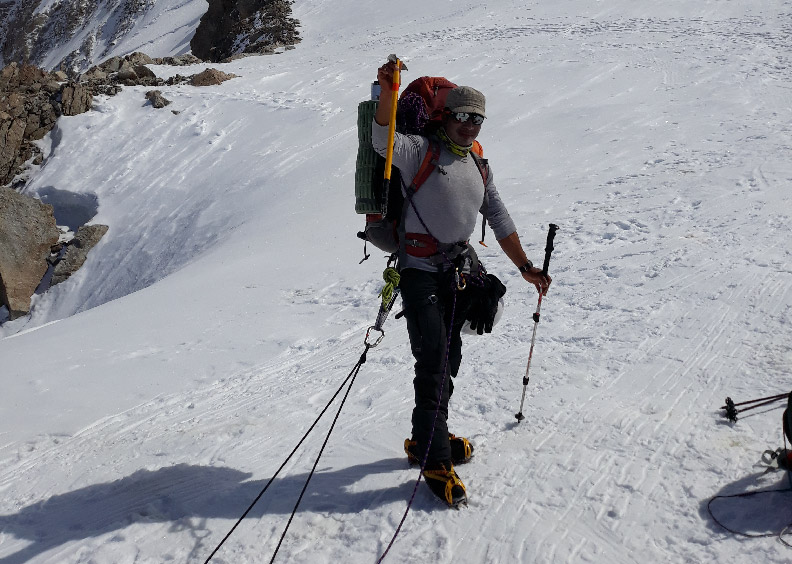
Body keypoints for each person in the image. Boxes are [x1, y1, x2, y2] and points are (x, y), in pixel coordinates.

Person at [372, 59, 552, 506]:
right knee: (433, 360)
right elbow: (381, 139)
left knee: (447, 357)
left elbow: (499, 217)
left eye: (478, 119)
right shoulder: (419, 150)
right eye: (463, 116)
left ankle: (425, 439)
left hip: (456, 273)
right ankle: (435, 461)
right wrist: (388, 91)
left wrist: (525, 267)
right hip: (418, 273)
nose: (470, 125)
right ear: (446, 116)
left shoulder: (478, 164)